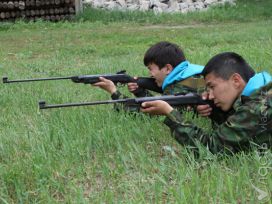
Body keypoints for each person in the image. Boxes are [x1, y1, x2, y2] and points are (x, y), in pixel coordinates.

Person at [140, 52, 272, 154]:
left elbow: (211, 149)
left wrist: (170, 114)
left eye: (212, 86)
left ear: (236, 80)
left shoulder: (256, 107)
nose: (211, 94)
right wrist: (215, 112)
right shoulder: (261, 89)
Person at [92, 41, 205, 109]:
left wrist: (113, 91)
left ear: (167, 68)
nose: (150, 74)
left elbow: (148, 111)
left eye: (151, 69)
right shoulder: (191, 74)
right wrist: (139, 91)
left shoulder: (178, 87)